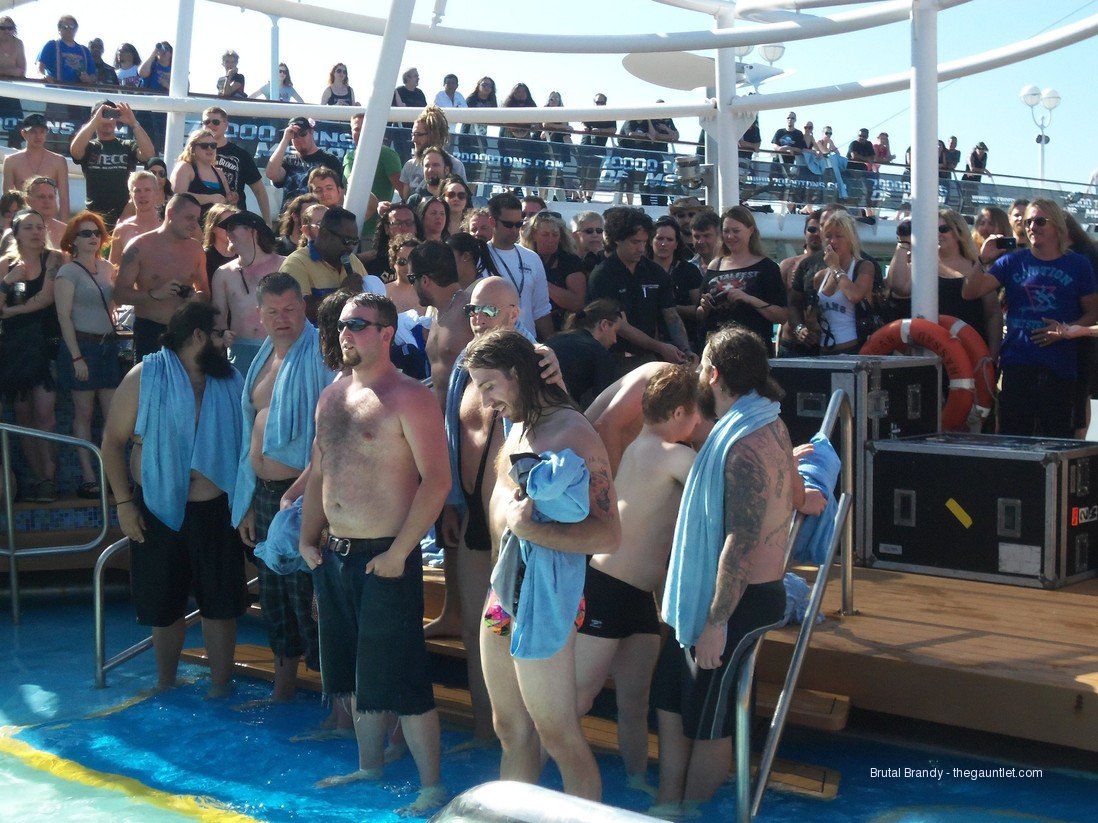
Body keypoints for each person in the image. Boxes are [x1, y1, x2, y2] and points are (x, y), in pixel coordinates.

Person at [298, 292, 448, 815]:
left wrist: (400, 552)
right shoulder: (331, 395)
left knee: (402, 676)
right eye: (341, 325)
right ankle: (369, 764)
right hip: (334, 552)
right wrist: (305, 538)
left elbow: (437, 481)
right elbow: (322, 471)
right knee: (353, 674)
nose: (346, 334)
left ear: (386, 333)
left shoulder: (410, 397)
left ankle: (432, 784)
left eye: (358, 325)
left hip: (386, 554)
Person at [467, 328, 620, 801]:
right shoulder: (520, 421)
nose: (485, 400)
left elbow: (609, 534)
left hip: (546, 599)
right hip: (504, 592)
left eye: (489, 385)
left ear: (516, 375)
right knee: (509, 728)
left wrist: (534, 531)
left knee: (559, 736)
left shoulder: (573, 431)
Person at [652, 324, 795, 814]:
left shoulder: (742, 445)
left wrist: (716, 622)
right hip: (712, 595)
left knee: (711, 720)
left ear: (713, 374)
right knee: (670, 697)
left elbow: (741, 541)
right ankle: (669, 801)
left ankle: (687, 812)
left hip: (740, 600)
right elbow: (791, 490)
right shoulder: (770, 422)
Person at [102, 302, 247, 698]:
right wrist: (124, 505)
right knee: (163, 604)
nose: (226, 340)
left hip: (217, 507)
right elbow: (112, 445)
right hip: (156, 506)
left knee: (221, 602)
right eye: (220, 334)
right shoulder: (144, 377)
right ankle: (165, 683)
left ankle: (221, 688)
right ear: (198, 336)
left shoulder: (230, 380)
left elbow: (246, 449)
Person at [575, 364, 697, 795]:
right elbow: (717, 486)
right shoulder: (673, 455)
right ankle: (539, 768)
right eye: (697, 415)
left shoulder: (638, 447)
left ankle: (635, 779)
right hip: (607, 589)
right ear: (681, 412)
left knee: (634, 701)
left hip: (639, 596)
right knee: (578, 699)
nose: (699, 426)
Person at [231, 273, 335, 705]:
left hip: (305, 494)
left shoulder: (322, 356)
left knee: (311, 599)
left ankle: (336, 703)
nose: (282, 318)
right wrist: (248, 503)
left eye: (290, 309)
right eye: (272, 311)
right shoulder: (261, 359)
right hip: (265, 493)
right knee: (275, 598)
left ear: (304, 308)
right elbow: (247, 435)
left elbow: (331, 436)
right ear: (259, 315)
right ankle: (283, 690)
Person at [963, 198, 1098, 438]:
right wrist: (982, 260)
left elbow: (1093, 312)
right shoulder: (1012, 261)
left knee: (1055, 439)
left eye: (1039, 221)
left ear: (1056, 225)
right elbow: (970, 292)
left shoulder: (1078, 264)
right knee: (1013, 436)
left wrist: (1067, 330)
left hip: (1060, 367)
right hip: (1018, 363)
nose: (1032, 227)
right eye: (1028, 222)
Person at [54, 211, 121, 498]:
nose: (93, 237)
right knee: (84, 413)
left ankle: (112, 475)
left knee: (113, 416)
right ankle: (89, 476)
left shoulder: (107, 268)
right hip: (82, 346)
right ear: (73, 240)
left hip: (107, 345)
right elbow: (63, 316)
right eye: (85, 233)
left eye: (96, 232)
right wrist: (76, 357)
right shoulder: (67, 272)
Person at [0, 208, 63, 502]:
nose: (37, 232)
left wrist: (11, 310)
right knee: (24, 416)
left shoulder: (54, 258)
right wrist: (8, 280)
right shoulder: (5, 264)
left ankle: (49, 475)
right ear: (17, 233)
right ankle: (40, 479)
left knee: (46, 414)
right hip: (16, 349)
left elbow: (46, 297)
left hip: (46, 343)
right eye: (29, 228)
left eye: (40, 226)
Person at [588, 207, 691, 365]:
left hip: (649, 357)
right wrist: (661, 347)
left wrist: (686, 351)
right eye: (635, 242)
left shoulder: (655, 272)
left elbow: (671, 316)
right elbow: (620, 325)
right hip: (613, 358)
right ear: (617, 239)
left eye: (644, 242)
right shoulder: (603, 275)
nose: (641, 248)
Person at [115, 194, 209, 361]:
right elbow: (119, 294)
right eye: (189, 218)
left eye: (197, 220)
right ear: (171, 214)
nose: (194, 225)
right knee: (151, 383)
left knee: (184, 385)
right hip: (150, 330)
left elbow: (205, 293)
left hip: (184, 330)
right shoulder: (139, 246)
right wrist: (154, 294)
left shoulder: (196, 250)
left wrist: (194, 297)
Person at [698, 206, 787, 350]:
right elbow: (699, 314)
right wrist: (704, 306)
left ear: (750, 230)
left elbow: (782, 316)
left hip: (754, 348)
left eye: (736, 231)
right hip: (717, 346)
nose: (730, 236)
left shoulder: (767, 267)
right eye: (726, 231)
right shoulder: (715, 264)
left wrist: (749, 299)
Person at [211, 211, 286, 377]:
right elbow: (218, 317)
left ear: (253, 230)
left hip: (278, 348)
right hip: (240, 350)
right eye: (226, 228)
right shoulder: (223, 273)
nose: (227, 233)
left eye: (232, 228)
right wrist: (222, 333)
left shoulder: (285, 265)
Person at [282, 206, 383, 320]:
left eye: (354, 242)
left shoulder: (352, 260)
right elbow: (300, 311)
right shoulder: (296, 264)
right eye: (346, 241)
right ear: (324, 234)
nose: (350, 247)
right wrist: (343, 293)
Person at [70, 100, 155, 229]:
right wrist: (95, 121)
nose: (108, 120)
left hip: (125, 216)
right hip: (95, 218)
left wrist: (134, 123)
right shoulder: (89, 147)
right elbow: (75, 151)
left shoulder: (126, 145)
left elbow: (148, 154)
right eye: (104, 115)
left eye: (113, 115)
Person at [936, 208, 1002, 361]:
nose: (937, 234)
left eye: (943, 229)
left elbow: (993, 314)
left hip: (971, 352)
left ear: (958, 232)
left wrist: (992, 355)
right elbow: (898, 287)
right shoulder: (921, 268)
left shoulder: (977, 267)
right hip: (932, 350)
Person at [486, 192, 553, 340]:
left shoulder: (532, 258)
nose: (514, 230)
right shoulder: (479, 257)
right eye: (508, 224)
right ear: (492, 222)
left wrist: (550, 345)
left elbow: (541, 310)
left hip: (526, 346)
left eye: (519, 224)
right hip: (490, 344)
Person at [812, 211, 875, 354]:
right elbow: (815, 317)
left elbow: (854, 295)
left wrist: (835, 267)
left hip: (853, 348)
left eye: (839, 236)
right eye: (828, 236)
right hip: (825, 349)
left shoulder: (863, 267)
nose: (832, 241)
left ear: (850, 239)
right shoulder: (820, 276)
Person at [201, 106, 271, 223]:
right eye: (207, 122)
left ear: (225, 125)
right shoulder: (195, 152)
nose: (211, 125)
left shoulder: (240, 154)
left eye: (215, 122)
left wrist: (267, 221)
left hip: (233, 218)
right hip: (203, 217)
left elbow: (259, 189)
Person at [545, 300, 621, 408]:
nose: (615, 340)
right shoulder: (597, 351)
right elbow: (607, 403)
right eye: (615, 332)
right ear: (604, 325)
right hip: (559, 409)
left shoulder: (555, 339)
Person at [343, 112, 401, 247]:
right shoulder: (348, 157)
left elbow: (403, 191)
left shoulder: (387, 154)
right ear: (351, 132)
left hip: (374, 232)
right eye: (357, 129)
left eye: (365, 127)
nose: (361, 132)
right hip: (349, 228)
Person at [521, 211, 585, 330]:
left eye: (555, 234)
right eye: (545, 235)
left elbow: (577, 303)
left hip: (561, 325)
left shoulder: (570, 261)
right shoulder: (522, 258)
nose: (551, 239)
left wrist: (541, 282)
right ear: (534, 235)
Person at [265, 117, 341, 213]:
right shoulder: (288, 161)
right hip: (290, 221)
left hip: (318, 219)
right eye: (294, 135)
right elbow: (271, 174)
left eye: (302, 134)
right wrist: (285, 139)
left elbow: (339, 193)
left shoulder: (329, 159)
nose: (299, 139)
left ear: (311, 132)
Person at [648, 215, 702, 348]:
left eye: (669, 239)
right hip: (649, 343)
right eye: (659, 238)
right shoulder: (641, 270)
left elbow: (699, 310)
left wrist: (669, 306)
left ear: (676, 244)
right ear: (650, 241)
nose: (663, 244)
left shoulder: (689, 270)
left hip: (686, 341)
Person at [777, 211, 824, 357]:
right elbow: (782, 308)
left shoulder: (837, 267)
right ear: (805, 233)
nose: (816, 233)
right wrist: (798, 329)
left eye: (820, 230)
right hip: (790, 344)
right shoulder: (787, 265)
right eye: (811, 229)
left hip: (823, 345)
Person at [3, 114, 70, 218]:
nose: (38, 136)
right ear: (24, 133)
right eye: (33, 132)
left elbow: (64, 199)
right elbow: (8, 200)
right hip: (23, 221)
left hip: (50, 220)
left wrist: (64, 227)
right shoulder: (11, 161)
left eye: (42, 132)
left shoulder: (58, 161)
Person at [398, 108, 467, 200]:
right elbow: (405, 202)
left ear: (434, 135)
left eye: (418, 134)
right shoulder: (410, 166)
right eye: (413, 134)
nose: (413, 139)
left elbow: (462, 202)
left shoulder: (455, 165)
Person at [170, 128, 234, 222]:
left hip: (215, 228)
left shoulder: (219, 173)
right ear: (192, 148)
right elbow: (178, 197)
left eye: (213, 145)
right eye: (204, 146)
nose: (210, 149)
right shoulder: (185, 167)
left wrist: (231, 199)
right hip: (190, 225)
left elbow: (226, 202)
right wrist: (211, 198)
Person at [108, 171, 161, 267]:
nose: (143, 195)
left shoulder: (168, 227)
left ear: (157, 193)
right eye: (137, 191)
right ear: (130, 195)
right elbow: (113, 270)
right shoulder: (122, 230)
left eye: (147, 190)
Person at [36, 15, 94, 85]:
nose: (69, 29)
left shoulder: (85, 51)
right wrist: (43, 76)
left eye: (72, 27)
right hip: (56, 93)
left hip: (79, 94)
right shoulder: (51, 46)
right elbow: (39, 69)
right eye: (65, 27)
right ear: (59, 29)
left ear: (76, 29)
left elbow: (93, 76)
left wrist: (88, 79)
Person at [22, 176, 66, 248]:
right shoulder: (17, 231)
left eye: (51, 197)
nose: (47, 201)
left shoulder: (67, 232)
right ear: (27, 200)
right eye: (41, 197)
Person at [202, 203, 237, 282]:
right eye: (226, 224)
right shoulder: (205, 257)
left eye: (235, 224)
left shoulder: (243, 254)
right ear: (213, 228)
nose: (232, 229)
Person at [385, 234, 420, 309]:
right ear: (393, 263)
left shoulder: (429, 294)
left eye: (412, 261)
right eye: (402, 261)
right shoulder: (383, 292)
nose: (408, 267)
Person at [572, 210, 606, 275]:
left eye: (599, 231)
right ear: (575, 235)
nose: (595, 235)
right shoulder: (567, 261)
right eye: (589, 231)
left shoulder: (610, 260)